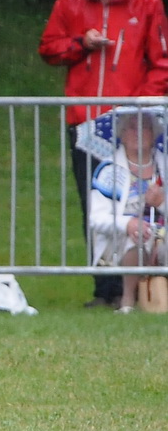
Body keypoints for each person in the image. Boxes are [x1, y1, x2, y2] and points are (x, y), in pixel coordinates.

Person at [39, 0, 168, 307]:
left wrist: (136, 110)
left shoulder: (147, 1)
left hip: (131, 125)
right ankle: (104, 288)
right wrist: (81, 43)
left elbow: (161, 62)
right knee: (94, 202)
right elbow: (49, 48)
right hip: (86, 123)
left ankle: (138, 284)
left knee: (139, 201)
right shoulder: (70, 0)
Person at [83, 107, 167, 313]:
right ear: (121, 133)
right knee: (136, 238)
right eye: (131, 128)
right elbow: (96, 217)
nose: (138, 133)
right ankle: (127, 300)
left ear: (155, 133)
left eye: (145, 128)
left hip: (161, 233)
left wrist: (162, 204)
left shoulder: (164, 165)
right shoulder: (109, 170)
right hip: (122, 237)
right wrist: (127, 223)